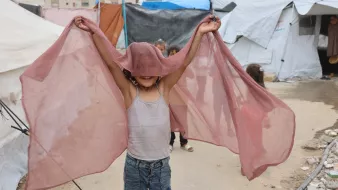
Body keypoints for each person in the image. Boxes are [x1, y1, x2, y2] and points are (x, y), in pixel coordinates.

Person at [75, 15, 221, 190]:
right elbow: (111, 64)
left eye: (151, 67)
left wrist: (200, 33)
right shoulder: (129, 91)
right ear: (132, 69)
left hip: (161, 167)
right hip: (135, 168)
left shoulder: (164, 88)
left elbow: (184, 63)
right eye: (140, 68)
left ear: (159, 68)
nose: (146, 73)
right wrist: (94, 31)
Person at [167, 45, 194, 152]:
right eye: (171, 53)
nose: (174, 55)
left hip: (182, 99)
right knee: (169, 122)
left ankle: (184, 142)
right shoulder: (166, 66)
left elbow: (191, 75)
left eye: (176, 53)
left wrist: (184, 66)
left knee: (183, 122)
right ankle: (170, 143)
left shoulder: (184, 66)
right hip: (169, 99)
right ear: (168, 55)